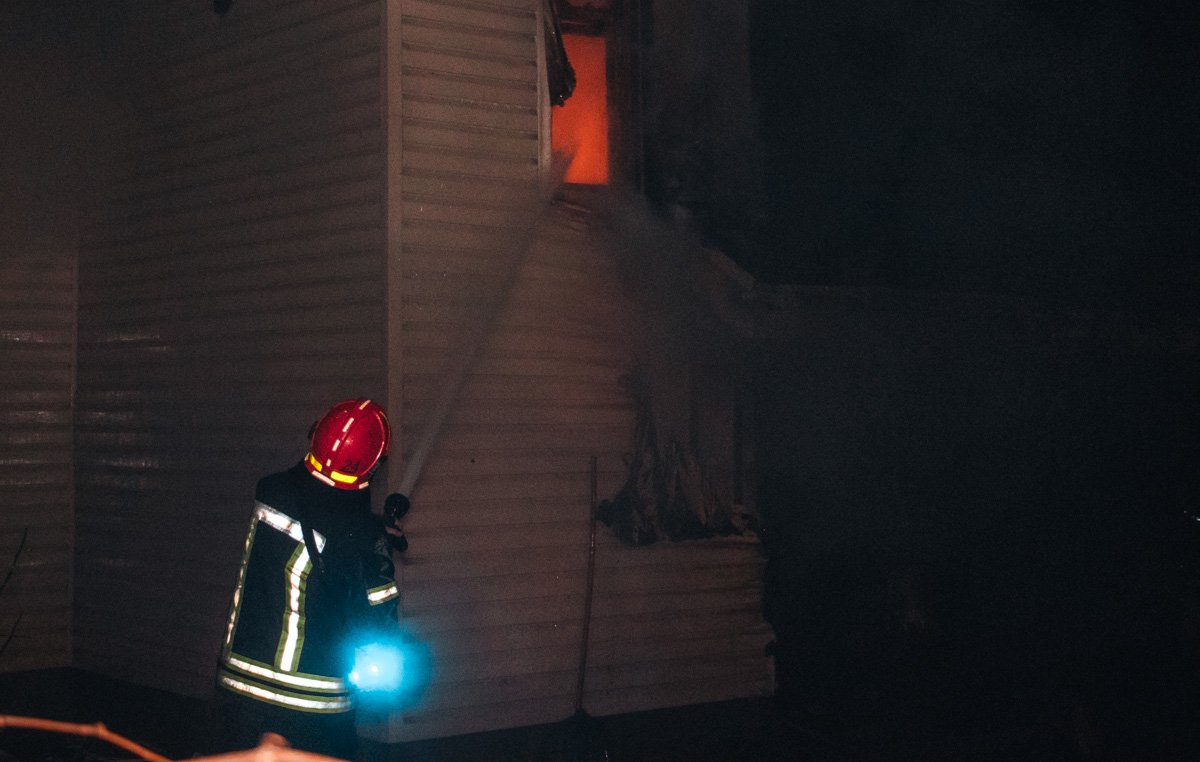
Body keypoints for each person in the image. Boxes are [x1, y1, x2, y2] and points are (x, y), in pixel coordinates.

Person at [213, 398, 409, 760]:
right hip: (315, 706)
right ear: (373, 465)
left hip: (239, 690)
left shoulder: (270, 491)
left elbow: (317, 514)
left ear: (315, 434)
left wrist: (369, 528)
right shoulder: (363, 537)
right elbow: (378, 622)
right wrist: (376, 546)